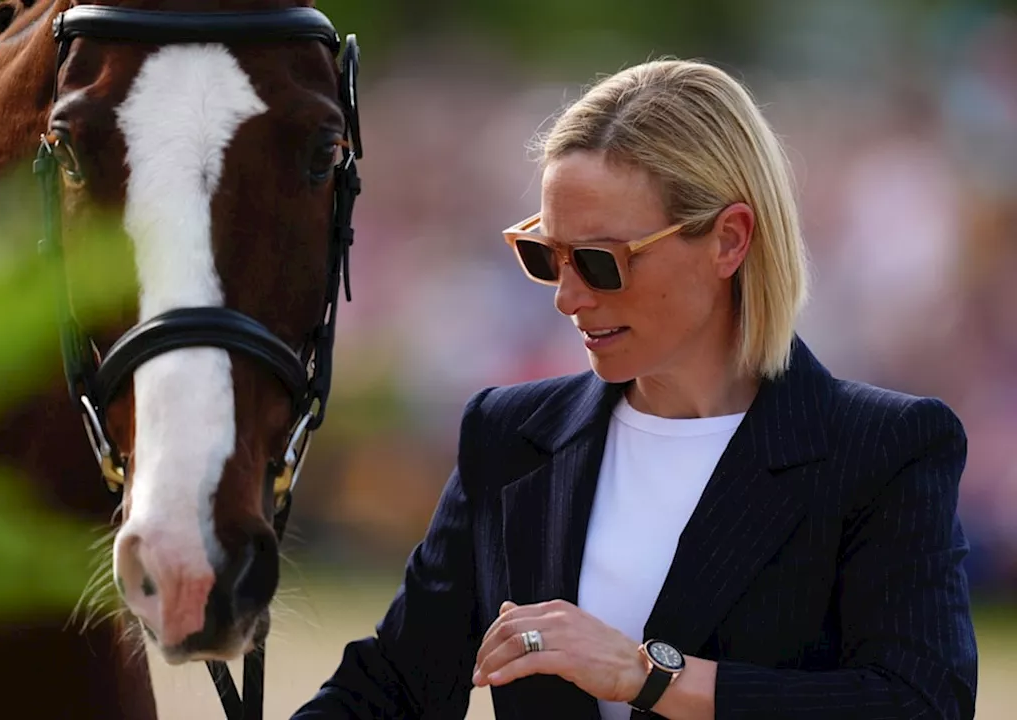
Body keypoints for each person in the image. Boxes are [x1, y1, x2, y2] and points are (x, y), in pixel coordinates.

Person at [291, 58, 978, 719]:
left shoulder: (883, 450)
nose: (565, 297)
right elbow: (394, 689)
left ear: (730, 240)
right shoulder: (509, 436)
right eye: (545, 255)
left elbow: (919, 701)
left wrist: (646, 675)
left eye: (598, 260)